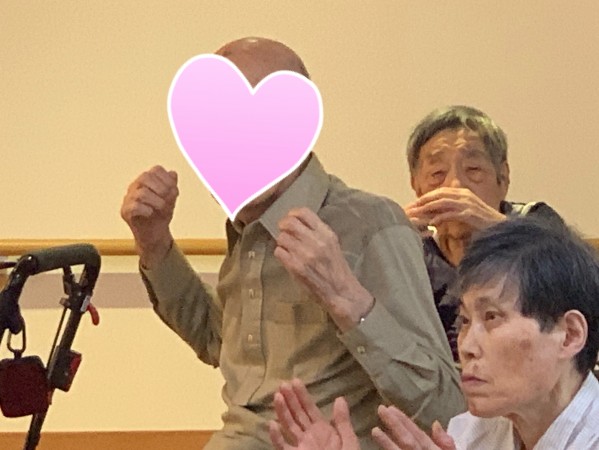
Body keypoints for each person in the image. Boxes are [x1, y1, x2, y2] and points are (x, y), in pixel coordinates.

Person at [120, 37, 464, 449]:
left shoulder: (370, 225)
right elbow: (217, 343)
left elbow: (447, 408)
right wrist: (155, 244)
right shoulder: (248, 226)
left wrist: (349, 302)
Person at [269, 217, 599, 450]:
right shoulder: (471, 430)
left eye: (492, 317)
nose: (466, 347)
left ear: (569, 335)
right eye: (465, 321)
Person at [403, 106, 563, 359]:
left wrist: (497, 228)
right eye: (437, 174)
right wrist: (388, 239)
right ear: (417, 187)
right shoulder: (411, 249)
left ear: (503, 178)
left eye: (473, 169)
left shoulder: (536, 223)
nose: (455, 185)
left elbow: (576, 289)